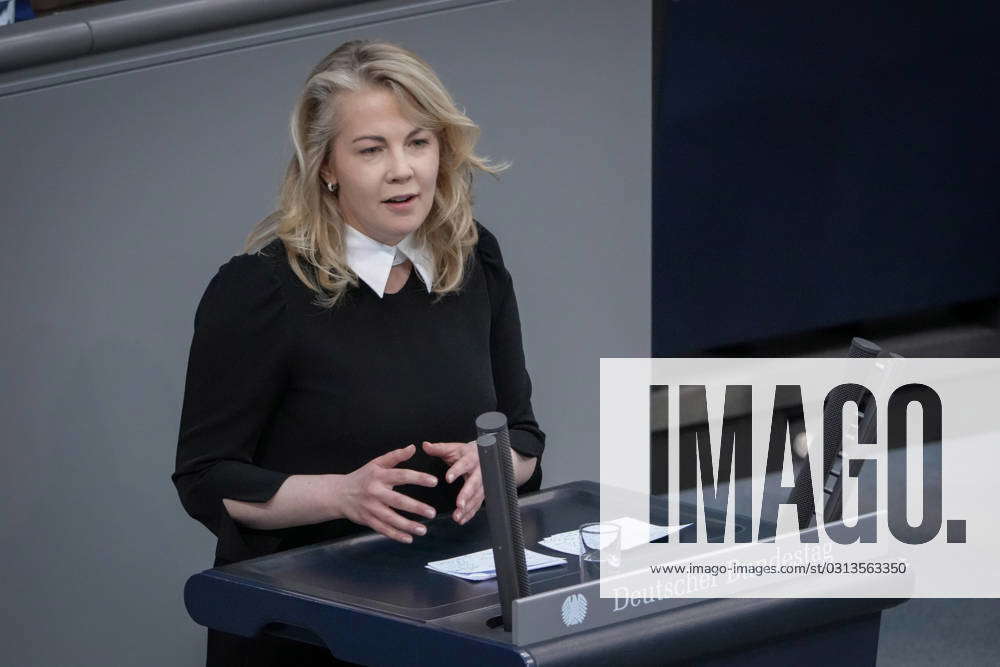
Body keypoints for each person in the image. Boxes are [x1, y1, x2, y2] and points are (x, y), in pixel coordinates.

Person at [172, 40, 544, 666]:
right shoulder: (259, 290)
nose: (403, 170)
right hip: (312, 633)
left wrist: (497, 465)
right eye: (372, 150)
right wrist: (342, 495)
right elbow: (206, 479)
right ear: (326, 166)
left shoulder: (473, 257)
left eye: (419, 142)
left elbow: (526, 437)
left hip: (454, 619)